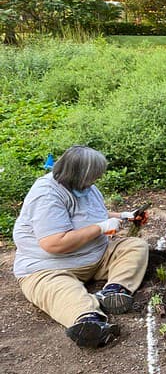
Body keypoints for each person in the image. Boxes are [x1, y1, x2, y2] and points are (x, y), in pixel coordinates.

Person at [12, 146, 149, 348]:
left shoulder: (85, 186)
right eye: (93, 176)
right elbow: (54, 243)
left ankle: (113, 290)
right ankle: (89, 321)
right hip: (49, 267)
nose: (95, 181)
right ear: (79, 173)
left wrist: (123, 216)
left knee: (135, 246)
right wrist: (100, 228)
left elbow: (92, 213)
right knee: (64, 291)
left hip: (96, 256)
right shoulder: (46, 195)